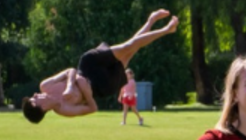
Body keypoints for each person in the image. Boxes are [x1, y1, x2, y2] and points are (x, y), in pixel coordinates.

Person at [21, 10, 179, 123]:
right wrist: (86, 93)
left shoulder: (45, 85)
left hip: (89, 65)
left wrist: (70, 86)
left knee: (127, 46)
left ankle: (166, 29)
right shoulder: (64, 109)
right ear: (41, 109)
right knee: (132, 50)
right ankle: (151, 21)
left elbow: (71, 71)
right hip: (101, 85)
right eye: (35, 99)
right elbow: (92, 108)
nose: (36, 94)